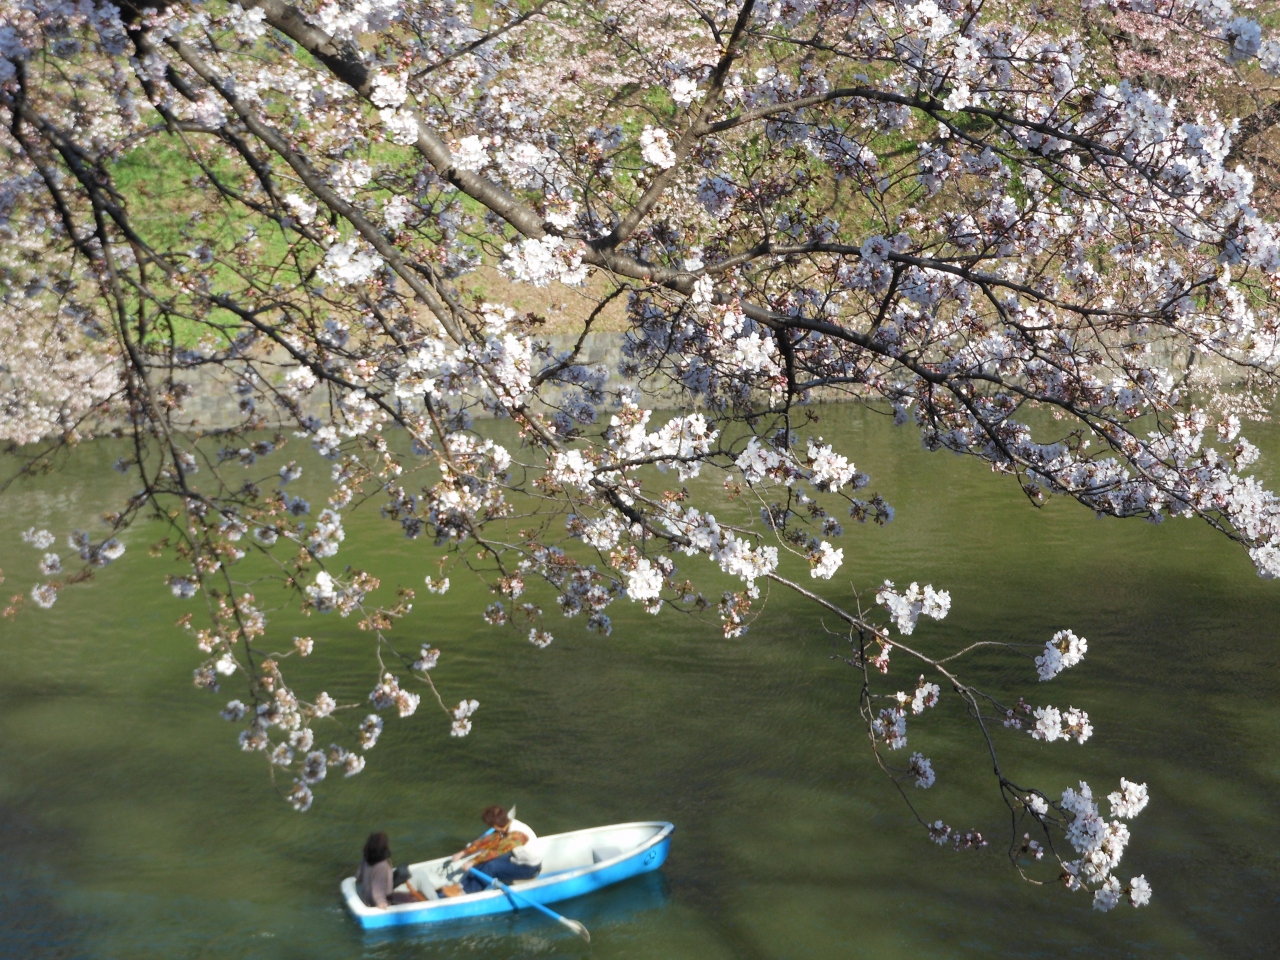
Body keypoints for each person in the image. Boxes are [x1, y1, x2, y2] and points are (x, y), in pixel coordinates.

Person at [447, 805, 544, 895]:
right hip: (515, 859)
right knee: (484, 860)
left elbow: (496, 851)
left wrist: (472, 862)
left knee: (491, 866)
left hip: (529, 869)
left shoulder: (517, 836)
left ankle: (467, 892)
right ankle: (461, 885)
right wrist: (463, 852)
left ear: (495, 826)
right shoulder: (505, 825)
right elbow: (486, 841)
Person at [356, 831, 426, 907]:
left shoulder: (366, 859)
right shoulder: (382, 865)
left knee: (418, 873)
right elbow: (377, 890)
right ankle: (432, 901)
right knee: (416, 895)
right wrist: (381, 903)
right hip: (385, 898)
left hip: (369, 896)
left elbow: (359, 876)